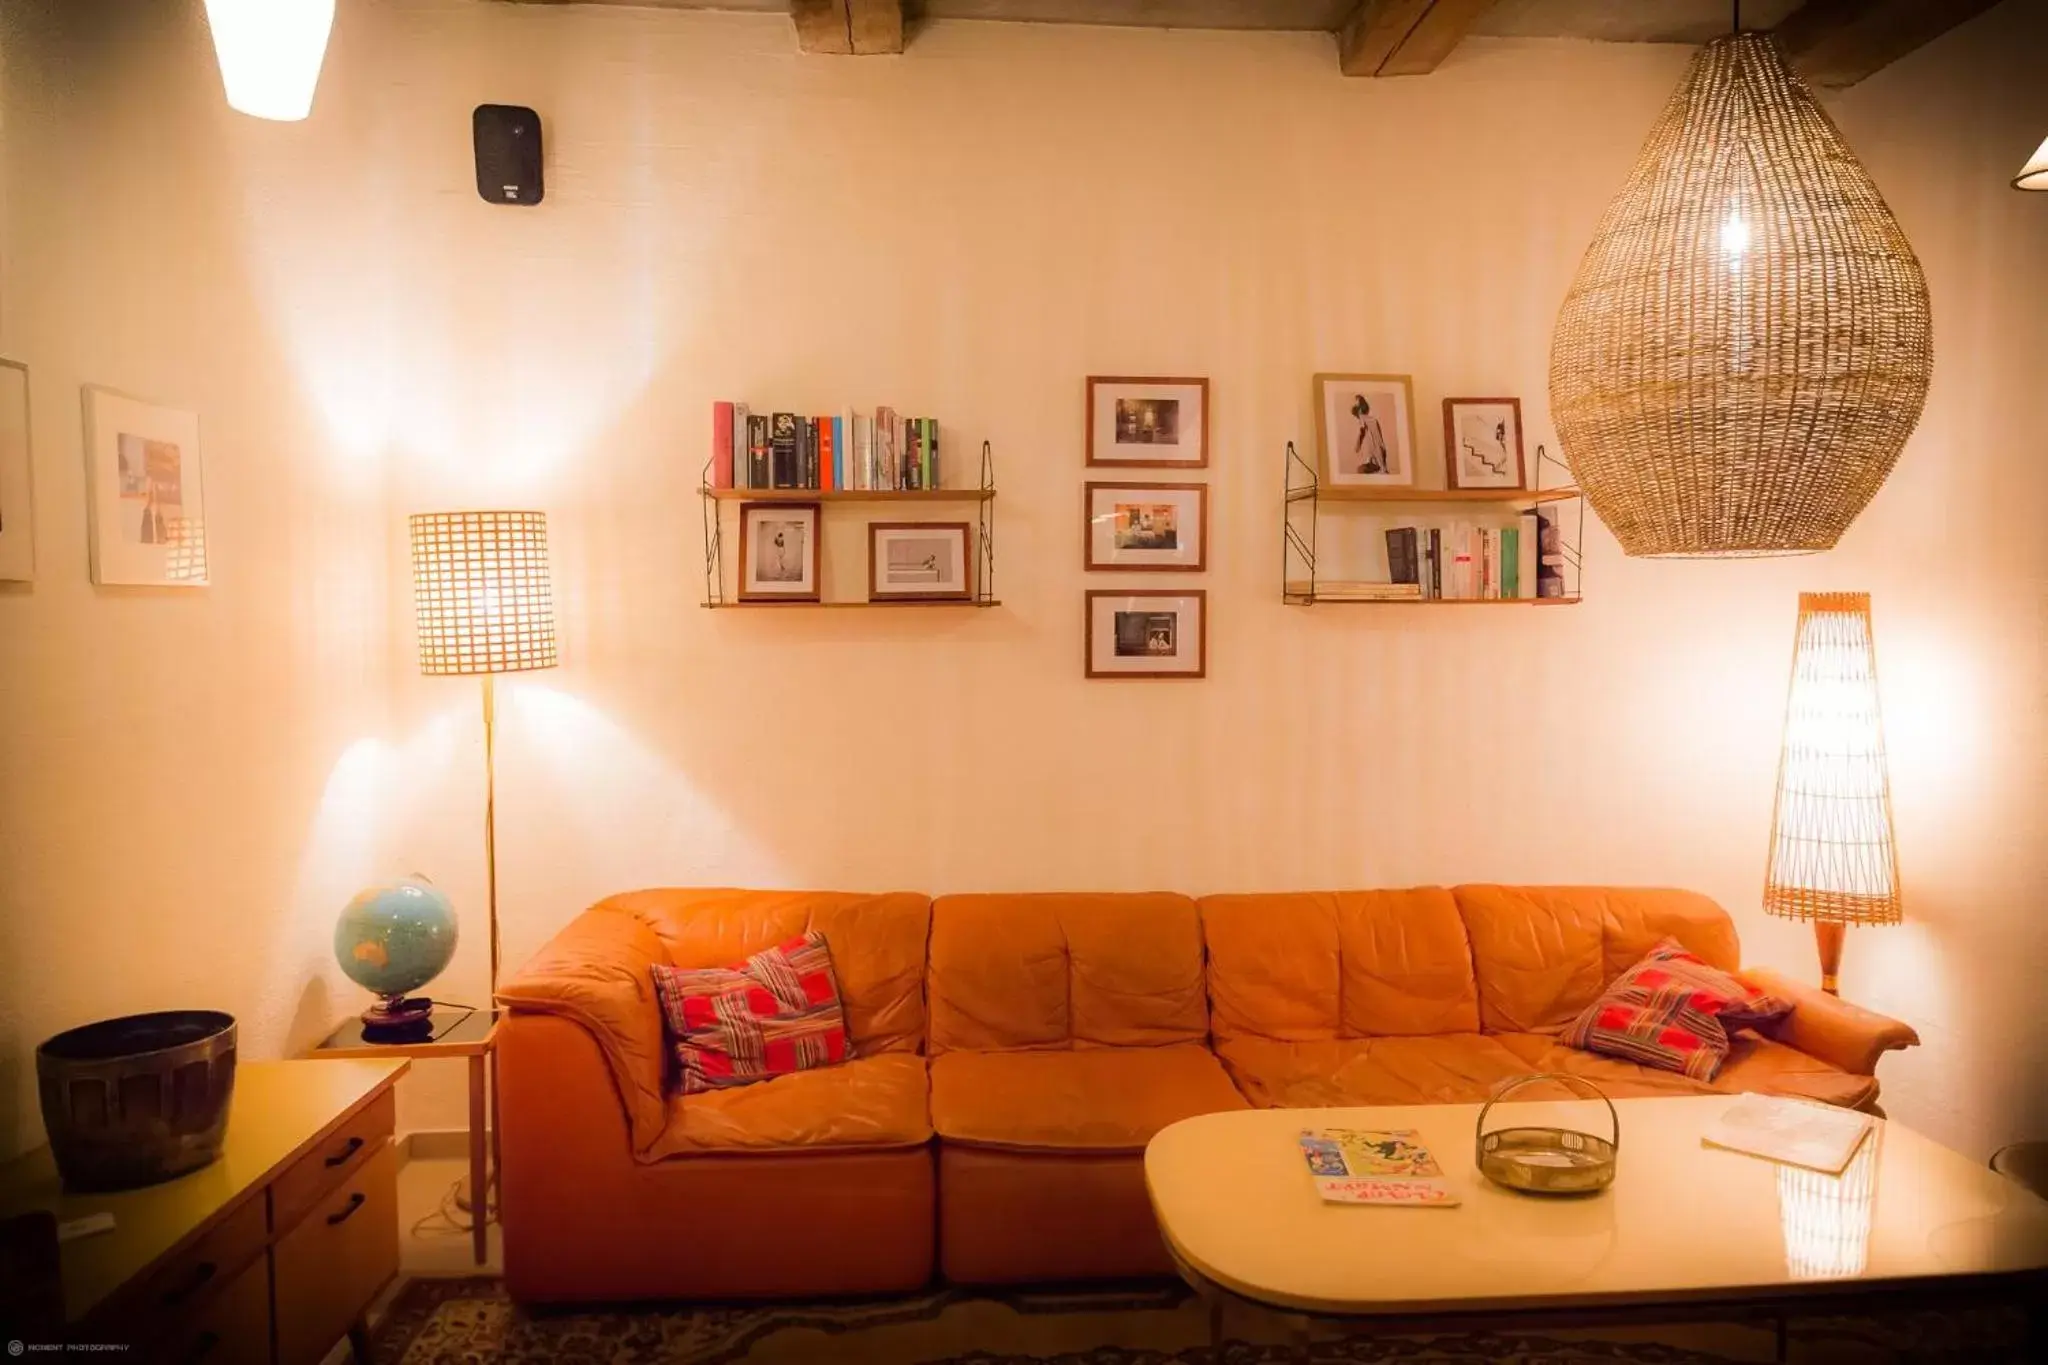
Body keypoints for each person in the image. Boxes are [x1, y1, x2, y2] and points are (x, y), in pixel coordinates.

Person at [1351, 395, 1389, 475]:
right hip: (1380, 452)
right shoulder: (1374, 420)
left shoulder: (1362, 418)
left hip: (1375, 454)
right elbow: (1378, 440)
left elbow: (1362, 432)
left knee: (1361, 470)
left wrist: (1358, 445)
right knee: (1382, 470)